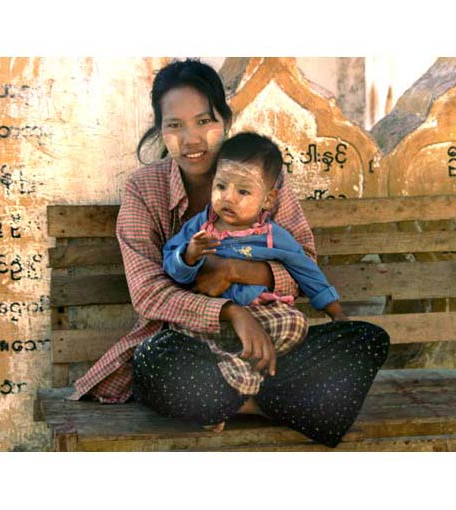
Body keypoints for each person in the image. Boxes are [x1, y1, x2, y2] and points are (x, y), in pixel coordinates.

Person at [67, 58, 390, 448]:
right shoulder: (143, 189)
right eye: (175, 125)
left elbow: (302, 258)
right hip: (191, 348)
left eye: (204, 121)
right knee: (154, 360)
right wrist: (229, 312)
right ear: (160, 130)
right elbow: (148, 293)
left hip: (271, 343)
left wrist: (236, 271)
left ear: (225, 118)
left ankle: (233, 404)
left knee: (366, 339)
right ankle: (278, 404)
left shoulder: (261, 174)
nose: (192, 140)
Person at [162, 132, 347, 428]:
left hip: (260, 319)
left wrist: (334, 310)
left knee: (294, 322)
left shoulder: (275, 237)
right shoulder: (200, 227)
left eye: (243, 192)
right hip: (209, 318)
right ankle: (232, 381)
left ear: (269, 199)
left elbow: (306, 271)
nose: (228, 198)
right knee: (175, 336)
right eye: (221, 186)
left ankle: (229, 384)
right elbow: (171, 266)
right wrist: (188, 255)